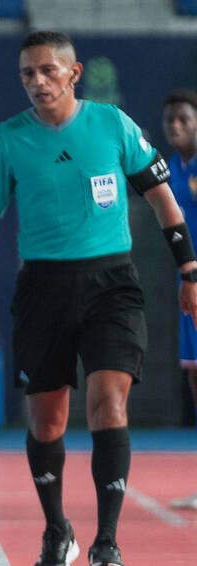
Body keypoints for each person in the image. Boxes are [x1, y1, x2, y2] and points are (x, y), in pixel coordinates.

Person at [0, 32, 197, 566]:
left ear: (73, 72)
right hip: (43, 287)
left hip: (112, 282)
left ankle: (106, 544)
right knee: (47, 421)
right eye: (26, 74)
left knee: (108, 404)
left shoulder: (113, 125)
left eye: (46, 71)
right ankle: (56, 528)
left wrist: (189, 271)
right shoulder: (10, 139)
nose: (36, 82)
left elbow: (163, 198)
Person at [162, 89, 197, 511]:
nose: (175, 126)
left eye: (184, 119)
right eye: (169, 120)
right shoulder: (169, 168)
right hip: (188, 288)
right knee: (194, 379)